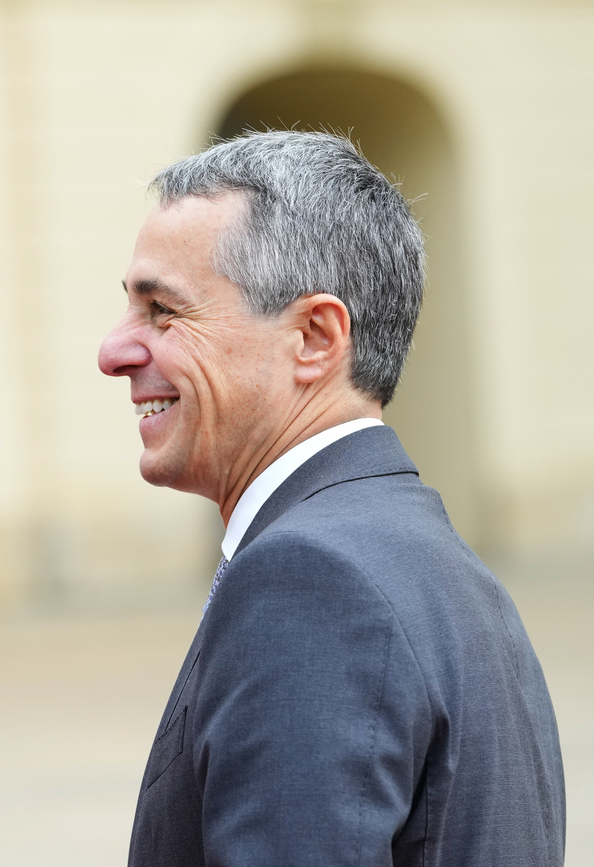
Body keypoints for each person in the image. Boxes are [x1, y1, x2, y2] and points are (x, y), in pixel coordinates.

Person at [98, 131, 564, 865]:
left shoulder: (311, 580)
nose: (113, 351)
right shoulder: (434, 564)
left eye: (163, 312)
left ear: (315, 337)